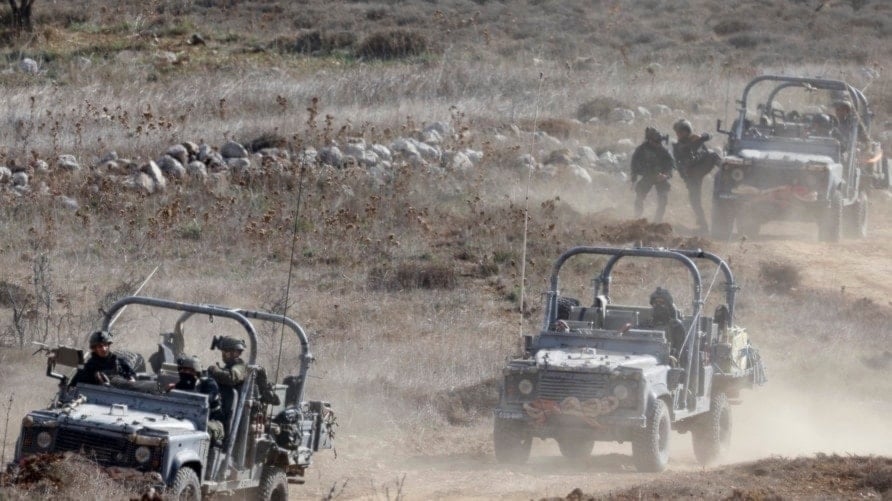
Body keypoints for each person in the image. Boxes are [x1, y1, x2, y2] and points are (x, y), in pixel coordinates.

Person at [672, 118, 721, 234]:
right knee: (694, 201)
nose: (678, 135)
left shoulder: (696, 139)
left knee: (713, 154)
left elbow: (709, 136)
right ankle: (703, 226)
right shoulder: (679, 146)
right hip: (692, 174)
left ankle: (726, 169)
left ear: (686, 131)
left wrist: (701, 136)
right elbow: (682, 158)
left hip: (701, 166)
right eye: (677, 133)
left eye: (680, 132)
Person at [173, 355, 225, 446]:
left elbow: (206, 399)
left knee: (198, 430)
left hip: (213, 422)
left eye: (188, 370)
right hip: (186, 420)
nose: (184, 373)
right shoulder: (180, 384)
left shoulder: (208, 384)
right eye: (182, 370)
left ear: (196, 372)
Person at [630, 126, 675, 223]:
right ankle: (637, 218)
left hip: (660, 177)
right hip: (648, 176)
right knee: (639, 196)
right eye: (655, 141)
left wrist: (665, 175)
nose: (658, 144)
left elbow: (671, 165)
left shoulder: (663, 150)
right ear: (649, 140)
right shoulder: (641, 150)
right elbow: (634, 164)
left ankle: (657, 221)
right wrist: (634, 178)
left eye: (659, 142)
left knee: (663, 199)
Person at [70, 330, 136, 386]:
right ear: (95, 349)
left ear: (108, 345)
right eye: (100, 346)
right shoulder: (88, 367)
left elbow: (132, 375)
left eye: (105, 345)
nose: (104, 349)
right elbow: (75, 386)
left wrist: (131, 379)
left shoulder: (119, 362)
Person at [648, 287, 685, 358]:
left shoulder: (676, 326)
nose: (658, 305)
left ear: (668, 305)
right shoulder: (648, 323)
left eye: (662, 303)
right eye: (655, 303)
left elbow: (678, 350)